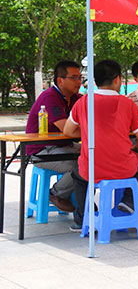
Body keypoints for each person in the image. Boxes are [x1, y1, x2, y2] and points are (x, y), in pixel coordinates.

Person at [64, 60, 138, 232]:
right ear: (117, 79)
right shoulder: (127, 103)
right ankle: (128, 201)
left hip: (92, 168)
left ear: (95, 80)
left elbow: (68, 130)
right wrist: (137, 148)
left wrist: (88, 131)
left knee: (77, 175)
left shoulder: (84, 101)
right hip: (122, 167)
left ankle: (83, 217)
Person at [25, 61, 83, 213]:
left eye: (80, 77)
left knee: (98, 156)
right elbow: (67, 129)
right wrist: (95, 132)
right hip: (42, 149)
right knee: (82, 164)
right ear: (60, 80)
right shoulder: (50, 97)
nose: (79, 82)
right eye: (74, 78)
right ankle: (56, 193)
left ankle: (82, 201)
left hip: (64, 146)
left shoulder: (76, 98)